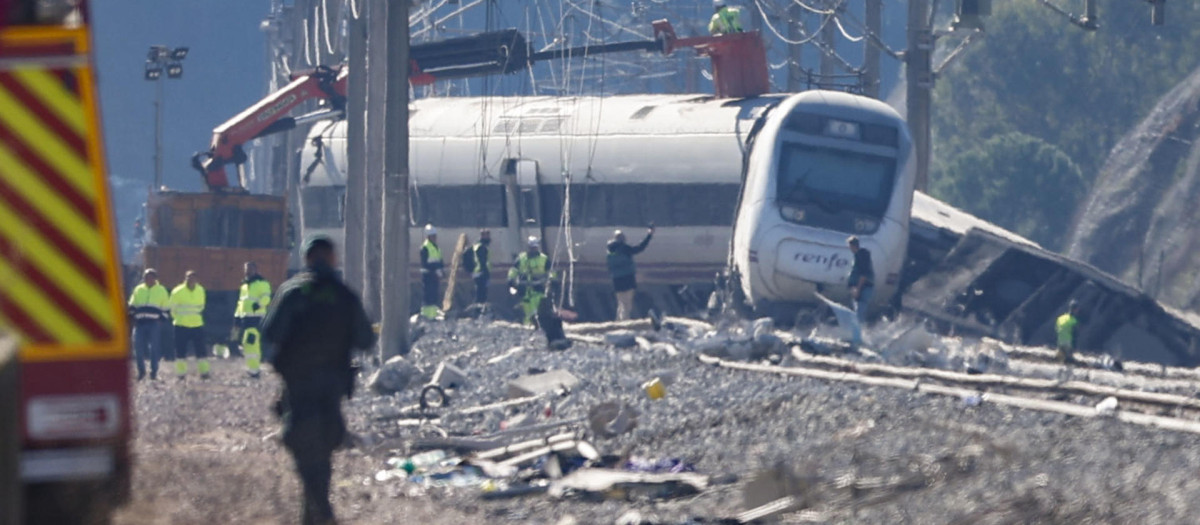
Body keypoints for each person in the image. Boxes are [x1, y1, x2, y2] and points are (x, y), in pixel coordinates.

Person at [262, 236, 375, 525]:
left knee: (303, 443)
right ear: (333, 258)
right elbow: (365, 339)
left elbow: (271, 332)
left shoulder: (292, 292)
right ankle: (318, 510)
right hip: (332, 385)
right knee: (324, 446)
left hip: (298, 384)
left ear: (307, 258)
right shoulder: (344, 295)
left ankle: (318, 510)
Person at [128, 268, 169, 380]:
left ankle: (153, 372)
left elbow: (166, 308)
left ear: (155, 278)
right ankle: (141, 371)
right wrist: (132, 317)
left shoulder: (161, 290)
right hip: (140, 323)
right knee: (138, 348)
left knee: (154, 348)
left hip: (154, 324)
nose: (148, 279)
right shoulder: (138, 289)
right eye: (146, 277)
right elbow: (132, 305)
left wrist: (161, 320)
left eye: (151, 277)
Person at [606, 226, 655, 320]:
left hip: (616, 280)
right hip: (628, 278)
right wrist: (649, 235)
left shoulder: (610, 250)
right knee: (627, 303)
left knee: (621, 302)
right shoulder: (625, 248)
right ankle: (625, 321)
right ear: (623, 239)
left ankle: (618, 321)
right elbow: (640, 248)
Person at [234, 261, 272, 378]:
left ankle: (255, 370)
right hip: (246, 318)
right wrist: (237, 316)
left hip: (256, 318)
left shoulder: (262, 283)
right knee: (247, 343)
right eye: (246, 269)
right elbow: (241, 302)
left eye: (249, 269)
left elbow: (266, 297)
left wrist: (258, 305)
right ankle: (253, 369)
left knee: (251, 342)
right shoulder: (244, 285)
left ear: (255, 270)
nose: (247, 271)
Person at [169, 270, 209, 379]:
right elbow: (172, 308)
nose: (191, 280)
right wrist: (178, 318)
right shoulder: (177, 291)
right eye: (189, 278)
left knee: (201, 350)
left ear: (196, 279)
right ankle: (181, 374)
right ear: (185, 278)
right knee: (180, 351)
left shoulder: (200, 290)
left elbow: (201, 306)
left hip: (197, 324)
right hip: (181, 325)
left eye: (193, 278)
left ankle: (204, 372)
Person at [508, 236, 555, 325]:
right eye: (531, 247)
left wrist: (553, 281)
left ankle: (540, 325)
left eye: (535, 247)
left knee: (538, 309)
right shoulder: (521, 258)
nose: (533, 249)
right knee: (527, 311)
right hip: (524, 289)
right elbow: (514, 270)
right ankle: (528, 326)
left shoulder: (544, 259)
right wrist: (511, 279)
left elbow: (551, 272)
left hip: (538, 288)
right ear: (528, 247)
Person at [846, 236, 874, 324]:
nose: (849, 248)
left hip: (863, 288)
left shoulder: (861, 256)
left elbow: (863, 274)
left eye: (850, 246)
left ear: (853, 246)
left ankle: (859, 329)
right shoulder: (858, 256)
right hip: (859, 287)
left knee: (859, 312)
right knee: (857, 312)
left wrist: (858, 289)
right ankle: (857, 328)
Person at [419, 224, 444, 319]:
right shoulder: (425, 247)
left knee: (434, 295)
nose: (435, 238)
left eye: (435, 236)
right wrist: (435, 269)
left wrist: (441, 270)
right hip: (428, 275)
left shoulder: (436, 247)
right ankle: (427, 315)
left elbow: (439, 260)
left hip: (434, 275)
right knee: (428, 296)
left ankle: (432, 315)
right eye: (433, 236)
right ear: (429, 236)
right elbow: (425, 263)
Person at [470, 229, 492, 304]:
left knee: (480, 293)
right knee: (481, 295)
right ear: (482, 236)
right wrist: (486, 273)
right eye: (487, 235)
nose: (489, 237)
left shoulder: (478, 245)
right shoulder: (481, 247)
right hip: (481, 273)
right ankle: (478, 308)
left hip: (477, 273)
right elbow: (483, 261)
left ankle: (479, 307)